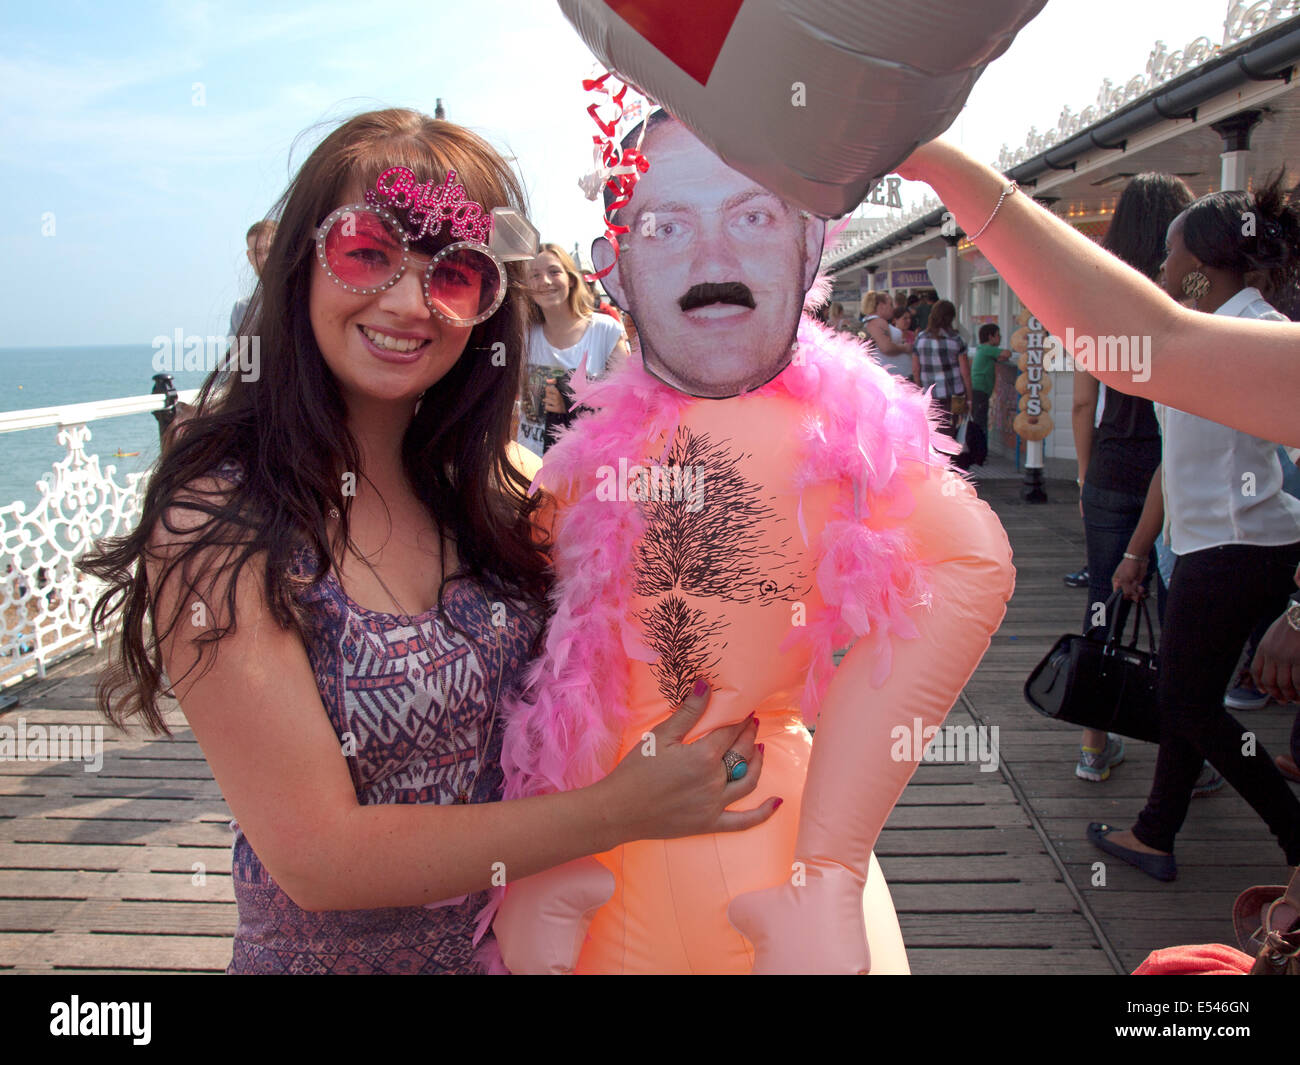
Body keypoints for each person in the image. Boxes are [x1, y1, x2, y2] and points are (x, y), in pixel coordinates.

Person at [80, 108, 776, 974]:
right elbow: (320, 858)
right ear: (301, 261)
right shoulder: (219, 519)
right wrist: (622, 808)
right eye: (367, 254)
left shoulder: (499, 483)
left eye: (452, 276)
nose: (410, 303)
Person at [494, 110, 1014, 974]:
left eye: (755, 216)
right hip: (601, 868)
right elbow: (532, 634)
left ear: (811, 244)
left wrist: (833, 865)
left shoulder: (840, 432)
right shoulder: (593, 449)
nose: (713, 263)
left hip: (770, 852)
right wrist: (548, 844)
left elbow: (970, 561)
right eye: (666, 226)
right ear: (613, 268)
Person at [1090, 174, 1300, 880]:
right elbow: (1172, 466)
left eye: (1171, 256)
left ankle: (1295, 836)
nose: (1161, 269)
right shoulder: (1200, 339)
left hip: (1248, 553)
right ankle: (1155, 830)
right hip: (1206, 551)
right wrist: (1138, 550)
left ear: (1205, 267)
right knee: (1192, 693)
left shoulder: (1267, 339)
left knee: (1187, 700)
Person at [895, 140, 1300, 448]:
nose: (1164, 262)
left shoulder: (1257, 325)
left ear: (1200, 259)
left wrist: (938, 160)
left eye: (1172, 249)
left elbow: (1148, 346)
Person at [1069, 173, 1192, 784]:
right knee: (1179, 618)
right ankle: (1185, 760)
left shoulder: (1103, 300)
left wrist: (1087, 483)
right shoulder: (1188, 301)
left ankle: (1094, 744)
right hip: (1177, 474)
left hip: (1112, 473)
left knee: (1102, 603)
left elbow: (1080, 404)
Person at [518, 243, 629, 457]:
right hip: (528, 461)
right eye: (535, 275)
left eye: (554, 271)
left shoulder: (605, 330)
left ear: (570, 278)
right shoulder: (523, 335)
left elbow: (624, 402)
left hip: (583, 463)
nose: (546, 281)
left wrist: (570, 402)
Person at [912, 298, 972, 461]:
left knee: (933, 432)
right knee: (952, 432)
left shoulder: (920, 339)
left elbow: (916, 369)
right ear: (951, 317)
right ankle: (948, 465)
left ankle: (935, 466)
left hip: (930, 395)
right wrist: (969, 397)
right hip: (955, 395)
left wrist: (920, 390)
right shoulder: (956, 339)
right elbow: (965, 372)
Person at [967, 322, 1011, 468]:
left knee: (979, 421)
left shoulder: (983, 350)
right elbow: (1006, 354)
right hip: (980, 391)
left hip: (978, 390)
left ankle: (978, 452)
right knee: (980, 422)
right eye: (998, 335)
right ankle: (979, 454)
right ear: (991, 337)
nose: (1000, 338)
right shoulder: (987, 349)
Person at [229, 219, 277, 336]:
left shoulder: (305, 302)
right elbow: (241, 353)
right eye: (258, 253)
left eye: (270, 250)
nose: (265, 258)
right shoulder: (242, 310)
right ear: (250, 257)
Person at [859, 289, 913, 379]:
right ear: (881, 305)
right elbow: (886, 348)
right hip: (892, 376)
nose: (893, 308)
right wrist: (904, 348)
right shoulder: (879, 322)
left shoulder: (870, 321)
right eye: (890, 304)